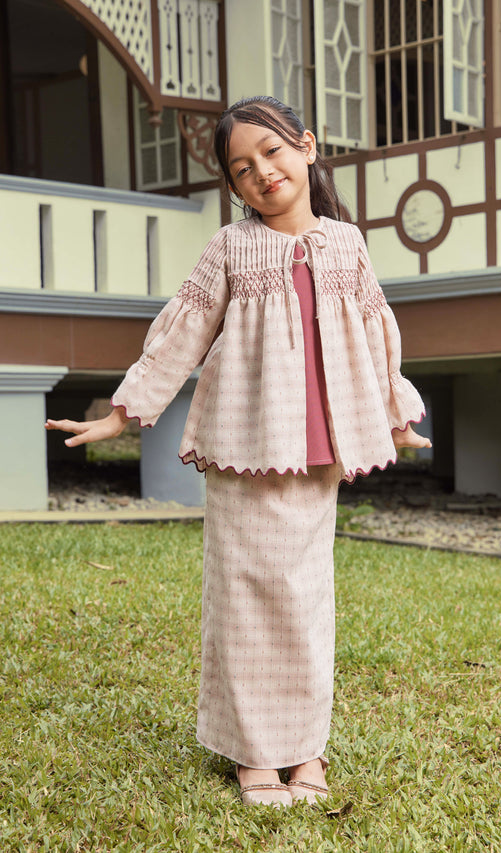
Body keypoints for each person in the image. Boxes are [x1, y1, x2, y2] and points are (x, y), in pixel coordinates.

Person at [46, 96, 431, 808]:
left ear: (306, 147)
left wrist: (395, 412)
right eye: (242, 168)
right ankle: (255, 754)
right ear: (232, 185)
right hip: (244, 451)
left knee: (307, 602)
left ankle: (306, 749)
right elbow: (183, 329)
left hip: (318, 454)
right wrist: (122, 414)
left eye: (272, 152)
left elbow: (376, 331)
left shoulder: (348, 245)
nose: (262, 173)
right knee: (244, 601)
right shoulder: (229, 247)